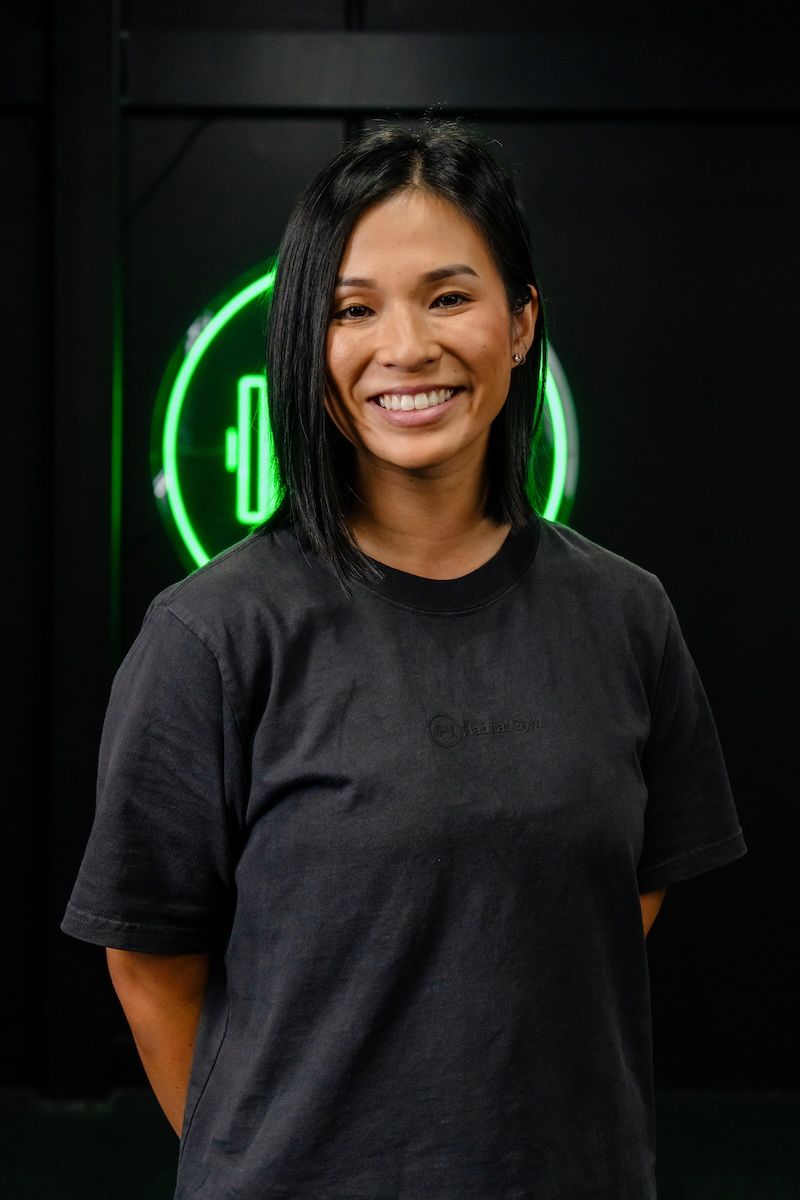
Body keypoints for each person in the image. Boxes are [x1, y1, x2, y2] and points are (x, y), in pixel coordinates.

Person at [62, 120, 747, 1200]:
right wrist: (281, 1154)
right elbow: (149, 964)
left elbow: (622, 896)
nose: (405, 347)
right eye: (351, 308)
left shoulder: (624, 614)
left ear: (520, 325)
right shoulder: (212, 633)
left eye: (447, 296)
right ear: (307, 342)